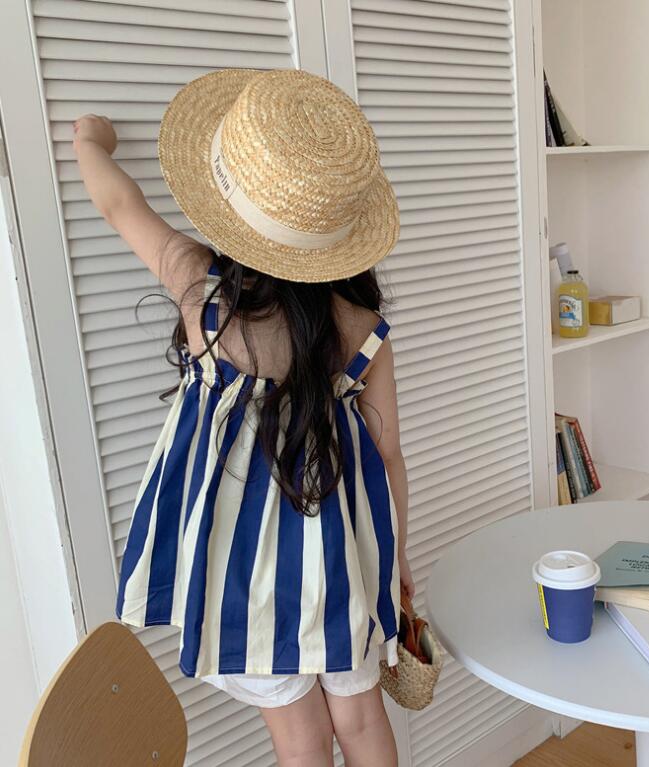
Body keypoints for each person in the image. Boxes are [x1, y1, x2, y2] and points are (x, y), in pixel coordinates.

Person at [73, 68, 414, 767]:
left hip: (244, 571)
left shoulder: (203, 297)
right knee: (361, 718)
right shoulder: (362, 328)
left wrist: (89, 144)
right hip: (343, 559)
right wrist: (396, 558)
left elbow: (118, 204)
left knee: (300, 738)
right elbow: (387, 457)